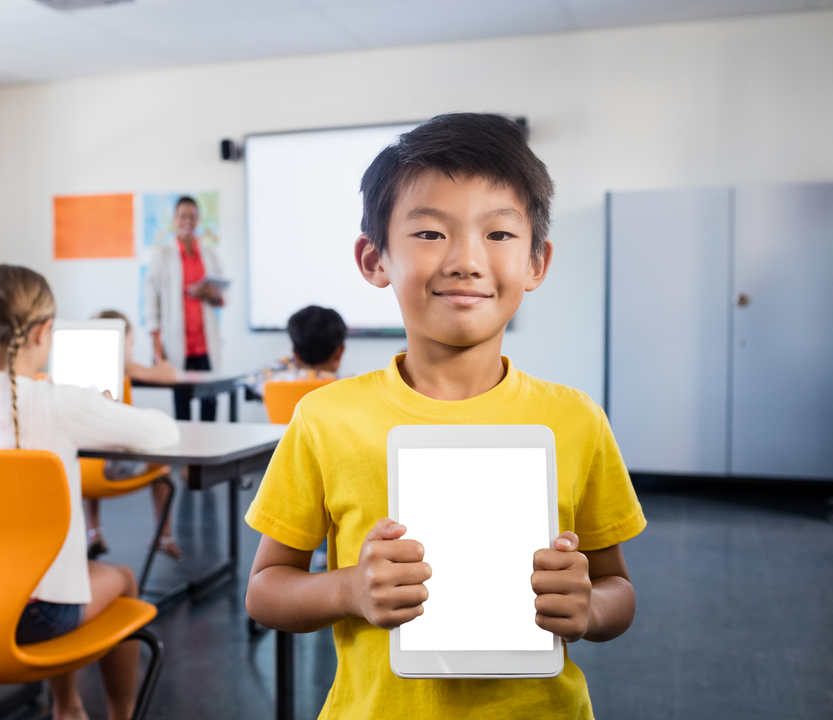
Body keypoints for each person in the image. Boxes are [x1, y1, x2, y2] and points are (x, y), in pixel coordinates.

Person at [244, 113, 645, 719]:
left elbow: (619, 590)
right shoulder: (326, 419)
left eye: (500, 234)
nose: (465, 259)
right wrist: (349, 588)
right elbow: (266, 590)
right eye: (430, 233)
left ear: (537, 262)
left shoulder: (577, 420)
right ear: (375, 259)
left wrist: (588, 607)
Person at [0, 265, 179, 720]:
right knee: (120, 578)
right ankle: (110, 713)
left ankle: (69, 705)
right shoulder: (61, 401)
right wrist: (99, 405)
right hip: (36, 617)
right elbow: (163, 435)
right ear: (45, 332)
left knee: (70, 573)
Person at [84, 310, 182, 561]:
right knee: (162, 465)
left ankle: (94, 532)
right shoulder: (124, 367)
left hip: (81, 473)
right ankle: (164, 536)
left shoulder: (75, 372)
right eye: (132, 343)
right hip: (111, 468)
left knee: (89, 454)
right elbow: (171, 375)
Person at [144, 196, 225, 420]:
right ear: (175, 219)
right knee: (182, 404)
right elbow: (152, 301)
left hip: (205, 345)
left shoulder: (208, 255)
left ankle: (209, 451)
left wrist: (209, 294)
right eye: (182, 216)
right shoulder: (162, 255)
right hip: (177, 343)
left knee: (210, 402)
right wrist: (155, 342)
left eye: (192, 216)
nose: (187, 221)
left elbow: (221, 298)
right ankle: (187, 454)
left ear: (198, 219)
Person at [245, 305, 346, 397]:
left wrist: (289, 361)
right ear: (339, 352)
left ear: (295, 354)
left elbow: (254, 377)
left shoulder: (274, 384)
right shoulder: (346, 388)